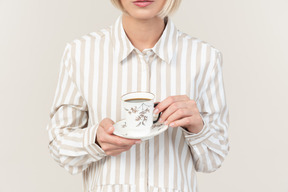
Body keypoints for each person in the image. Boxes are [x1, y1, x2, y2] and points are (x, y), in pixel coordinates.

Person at [46, 0, 230, 191]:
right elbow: (59, 147)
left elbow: (214, 159)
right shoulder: (80, 54)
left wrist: (197, 128)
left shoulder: (204, 57)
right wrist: (96, 141)